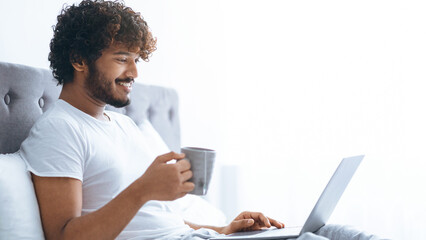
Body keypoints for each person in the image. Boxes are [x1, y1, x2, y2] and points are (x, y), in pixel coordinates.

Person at [19, 1, 284, 239]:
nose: (134, 72)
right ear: (79, 60)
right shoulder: (58, 129)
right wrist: (143, 190)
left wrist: (224, 230)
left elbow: (156, 222)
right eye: (123, 59)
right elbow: (63, 236)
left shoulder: (124, 125)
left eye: (136, 60)